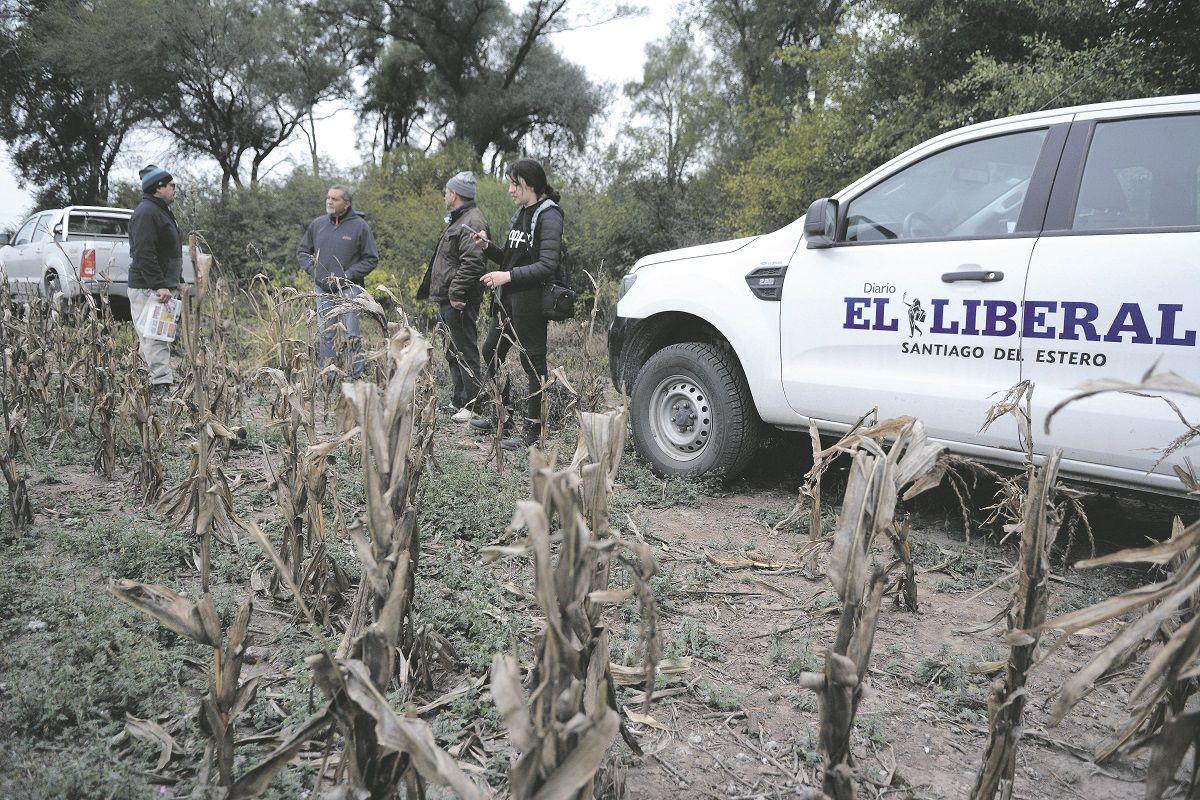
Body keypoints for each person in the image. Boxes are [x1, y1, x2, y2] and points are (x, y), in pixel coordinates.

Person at [467, 158, 564, 451]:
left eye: (514, 184)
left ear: (531, 185)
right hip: (507, 302)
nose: (510, 189)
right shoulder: (520, 214)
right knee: (490, 351)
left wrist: (506, 276)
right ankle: (503, 414)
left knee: (533, 365)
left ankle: (532, 432)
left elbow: (548, 265)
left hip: (532, 304)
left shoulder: (549, 216)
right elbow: (511, 259)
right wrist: (488, 248)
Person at [417, 171, 491, 422]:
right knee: (452, 349)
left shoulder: (473, 220)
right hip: (448, 299)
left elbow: (473, 262)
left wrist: (456, 292)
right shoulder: (459, 219)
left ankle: (472, 405)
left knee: (465, 349)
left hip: (459, 300)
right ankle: (459, 400)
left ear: (455, 194)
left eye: (447, 191)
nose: (445, 195)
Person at [297, 185, 378, 380]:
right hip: (322, 290)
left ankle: (354, 377)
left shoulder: (360, 226)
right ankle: (328, 377)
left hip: (350, 290)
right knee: (326, 335)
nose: (329, 201)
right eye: (328, 198)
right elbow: (302, 252)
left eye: (335, 199)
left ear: (346, 204)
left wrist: (347, 275)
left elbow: (371, 259)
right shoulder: (318, 224)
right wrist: (316, 273)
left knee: (351, 335)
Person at [128, 164, 183, 400]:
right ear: (157, 188)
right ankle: (159, 390)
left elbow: (166, 252)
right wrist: (159, 284)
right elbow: (144, 253)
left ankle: (149, 385)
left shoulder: (158, 211)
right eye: (171, 185)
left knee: (156, 337)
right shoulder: (146, 213)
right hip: (148, 288)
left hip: (160, 287)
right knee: (154, 338)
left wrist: (175, 282)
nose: (175, 189)